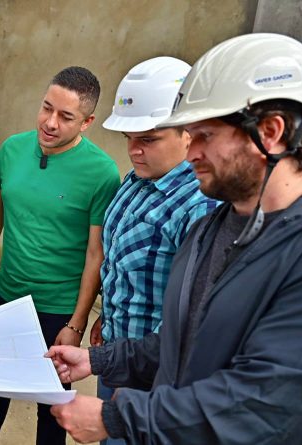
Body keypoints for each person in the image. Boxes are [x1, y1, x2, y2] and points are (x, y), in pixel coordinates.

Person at [46, 33, 302, 444]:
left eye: (205, 135)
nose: (191, 153)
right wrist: (98, 359)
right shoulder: (214, 227)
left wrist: (118, 419)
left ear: (272, 132)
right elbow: (181, 342)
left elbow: (265, 401)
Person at [0, 66, 120, 445]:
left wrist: (77, 322)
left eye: (65, 116)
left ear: (87, 121)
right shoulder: (12, 150)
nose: (50, 123)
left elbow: (94, 254)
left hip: (57, 309)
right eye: (46, 108)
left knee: (52, 411)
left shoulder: (102, 173)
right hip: (7, 296)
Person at [92, 57, 219, 444]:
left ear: (189, 134)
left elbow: (190, 318)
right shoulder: (137, 179)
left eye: (148, 139)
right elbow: (120, 264)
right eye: (128, 138)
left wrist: (134, 380)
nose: (134, 151)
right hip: (115, 355)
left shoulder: (200, 205)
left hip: (152, 380)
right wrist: (107, 318)